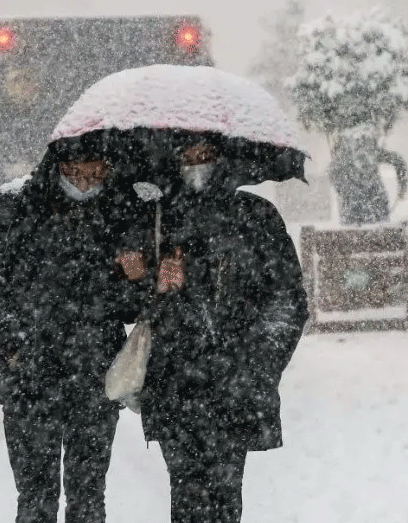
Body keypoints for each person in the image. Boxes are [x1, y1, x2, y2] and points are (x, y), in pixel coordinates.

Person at [119, 135, 307, 523]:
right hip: (174, 385)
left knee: (224, 496)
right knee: (186, 494)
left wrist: (258, 363)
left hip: (233, 382)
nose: (196, 163)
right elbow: (127, 302)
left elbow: (287, 298)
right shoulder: (155, 217)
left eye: (205, 154)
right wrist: (148, 281)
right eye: (187, 156)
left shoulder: (255, 217)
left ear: (224, 159)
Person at [0, 135, 145, 523]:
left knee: (88, 498)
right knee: (35, 499)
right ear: (57, 167)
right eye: (74, 173)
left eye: (95, 174)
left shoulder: (123, 210)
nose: (84, 182)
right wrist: (13, 341)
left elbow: (135, 305)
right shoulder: (18, 204)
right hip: (30, 376)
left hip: (95, 375)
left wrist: (133, 272)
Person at [329, 125, 408, 226]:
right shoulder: (372, 152)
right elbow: (398, 161)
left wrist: (343, 190)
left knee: (353, 234)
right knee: (378, 233)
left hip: (354, 202)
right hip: (373, 200)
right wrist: (402, 187)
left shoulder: (343, 157)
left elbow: (333, 173)